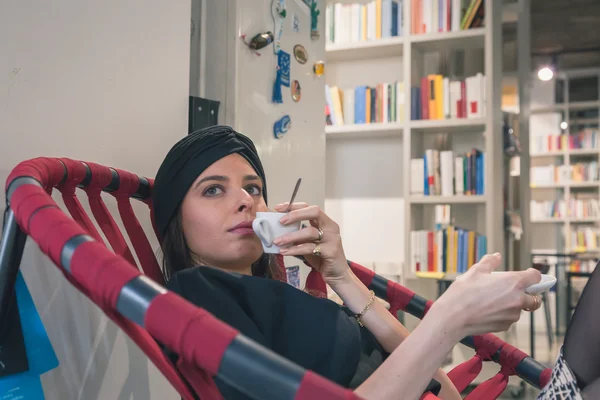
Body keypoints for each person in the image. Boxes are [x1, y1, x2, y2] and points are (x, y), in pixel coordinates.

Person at [152, 125, 543, 400]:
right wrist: (450, 317)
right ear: (175, 218)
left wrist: (344, 280)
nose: (245, 201)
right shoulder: (196, 292)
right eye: (213, 189)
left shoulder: (281, 294)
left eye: (253, 188)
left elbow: (441, 386)